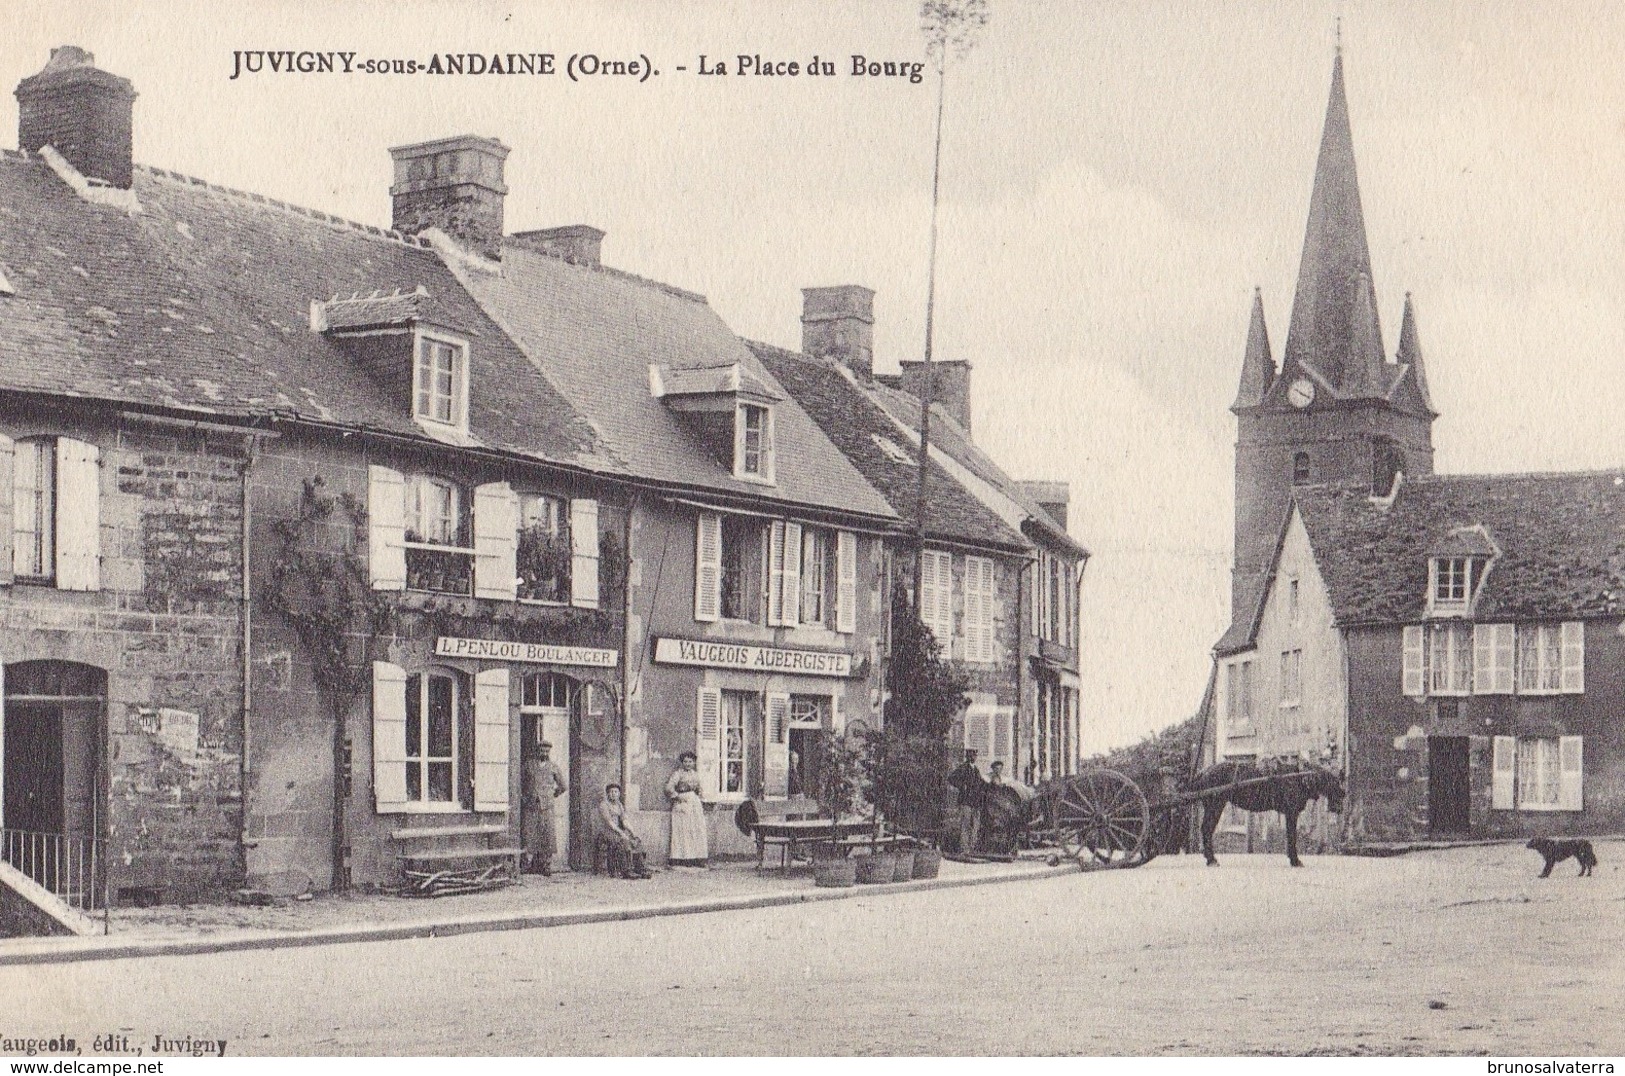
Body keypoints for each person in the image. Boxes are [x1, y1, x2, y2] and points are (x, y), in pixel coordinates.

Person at [522, 741, 567, 875]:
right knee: (530, 834)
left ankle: (546, 865)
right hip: (531, 805)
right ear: (537, 751)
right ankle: (528, 864)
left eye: (547, 751)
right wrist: (525, 797)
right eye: (542, 751)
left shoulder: (553, 767)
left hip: (547, 806)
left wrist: (552, 795)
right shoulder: (529, 766)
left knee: (547, 835)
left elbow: (563, 786)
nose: (544, 753)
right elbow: (520, 782)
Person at [598, 783, 651, 879]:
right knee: (624, 842)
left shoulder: (619, 805)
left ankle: (640, 869)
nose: (614, 794)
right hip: (607, 832)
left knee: (635, 841)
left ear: (619, 793)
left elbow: (624, 820)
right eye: (611, 792)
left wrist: (632, 832)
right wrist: (621, 833)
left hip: (618, 831)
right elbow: (610, 823)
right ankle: (626, 870)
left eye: (616, 792)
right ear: (607, 794)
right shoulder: (604, 805)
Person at [666, 751, 709, 868]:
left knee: (696, 829)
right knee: (683, 830)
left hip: (694, 803)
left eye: (690, 761)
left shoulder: (696, 774)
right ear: (682, 762)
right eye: (685, 761)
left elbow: (700, 788)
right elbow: (669, 788)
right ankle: (682, 858)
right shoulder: (678, 774)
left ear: (694, 762)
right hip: (682, 803)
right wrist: (678, 796)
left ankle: (697, 857)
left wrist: (700, 795)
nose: (688, 764)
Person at [946, 749, 986, 855]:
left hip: (976, 802)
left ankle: (972, 848)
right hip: (966, 801)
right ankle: (964, 849)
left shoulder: (976, 769)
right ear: (967, 757)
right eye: (972, 755)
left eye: (975, 755)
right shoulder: (963, 768)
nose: (974, 757)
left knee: (975, 826)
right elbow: (951, 778)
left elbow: (981, 782)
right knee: (965, 825)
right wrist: (962, 786)